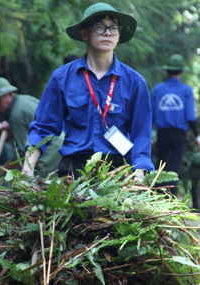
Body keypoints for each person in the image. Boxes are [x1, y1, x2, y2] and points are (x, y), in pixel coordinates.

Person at [22, 3, 155, 180]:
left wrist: (138, 176)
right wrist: (27, 169)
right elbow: (43, 127)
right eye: (100, 27)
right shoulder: (62, 77)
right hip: (73, 171)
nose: (108, 32)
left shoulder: (134, 82)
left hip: (116, 173)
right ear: (84, 33)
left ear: (118, 35)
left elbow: (141, 135)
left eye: (113, 28)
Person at [0, 78, 65, 178]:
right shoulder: (24, 99)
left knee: (45, 187)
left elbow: (21, 154)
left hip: (49, 154)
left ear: (10, 94)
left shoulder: (16, 116)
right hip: (60, 144)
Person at [151, 54, 200, 196]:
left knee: (161, 166)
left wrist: (148, 136)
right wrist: (197, 135)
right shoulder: (186, 90)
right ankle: (172, 200)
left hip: (162, 134)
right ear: (181, 71)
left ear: (168, 71)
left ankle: (160, 199)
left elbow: (151, 115)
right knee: (175, 168)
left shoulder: (157, 89)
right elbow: (190, 116)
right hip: (179, 135)